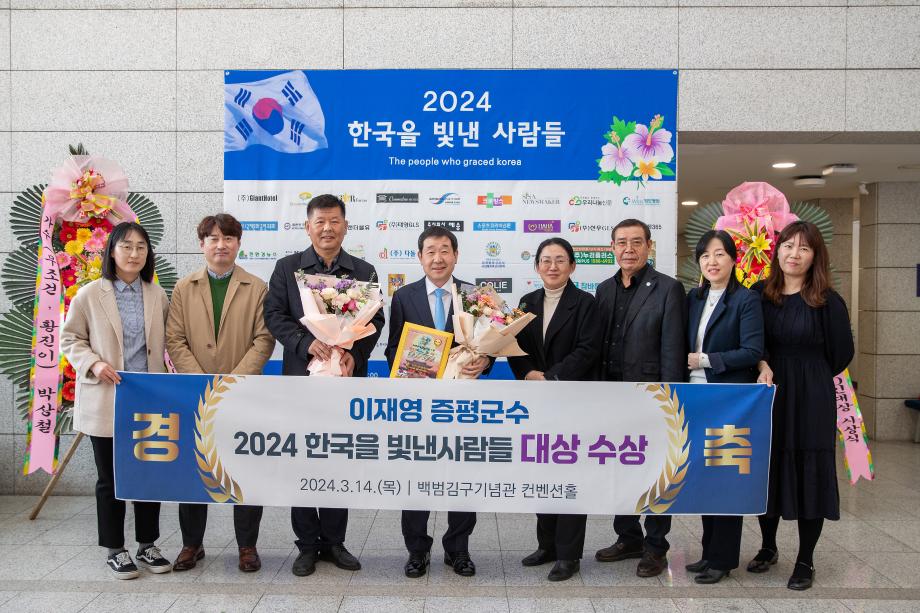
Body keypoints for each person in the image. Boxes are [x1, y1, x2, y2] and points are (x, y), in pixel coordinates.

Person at [263, 194, 384, 577]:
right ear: (308, 227)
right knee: (302, 459)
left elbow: (375, 321)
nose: (327, 228)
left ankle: (334, 542)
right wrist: (305, 343)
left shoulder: (363, 271)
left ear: (345, 226)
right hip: (302, 381)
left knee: (338, 460)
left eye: (334, 221)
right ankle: (306, 544)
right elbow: (274, 315)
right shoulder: (287, 268)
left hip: (345, 384)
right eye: (320, 222)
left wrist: (354, 354)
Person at [60, 222, 173, 580]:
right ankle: (115, 549)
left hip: (148, 398)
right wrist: (94, 363)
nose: (134, 253)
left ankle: (147, 544)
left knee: (149, 474)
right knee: (110, 478)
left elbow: (168, 344)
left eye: (141, 247)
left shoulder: (157, 294)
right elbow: (70, 339)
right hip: (108, 396)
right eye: (127, 246)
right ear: (112, 251)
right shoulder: (90, 294)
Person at [747, 221, 854, 591]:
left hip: (811, 395)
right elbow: (751, 340)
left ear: (815, 256)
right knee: (769, 465)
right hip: (769, 390)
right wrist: (763, 362)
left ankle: (805, 559)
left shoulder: (827, 300)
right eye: (788, 245)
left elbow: (842, 353)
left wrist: (810, 372)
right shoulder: (759, 293)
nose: (794, 254)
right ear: (777, 250)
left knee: (810, 469)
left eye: (804, 248)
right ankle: (768, 546)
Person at [166, 214, 274, 573]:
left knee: (246, 471)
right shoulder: (184, 288)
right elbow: (175, 339)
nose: (221, 245)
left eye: (228, 238)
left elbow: (264, 339)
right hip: (196, 394)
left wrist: (232, 383)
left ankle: (247, 546)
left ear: (238, 243)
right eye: (213, 238)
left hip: (243, 395)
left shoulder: (256, 287)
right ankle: (191, 544)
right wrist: (202, 382)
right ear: (202, 245)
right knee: (194, 470)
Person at [385, 225, 491, 579]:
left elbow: (489, 346)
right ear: (420, 257)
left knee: (463, 475)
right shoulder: (404, 296)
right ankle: (417, 550)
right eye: (430, 251)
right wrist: (409, 367)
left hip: (462, 407)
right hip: (419, 407)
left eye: (445, 250)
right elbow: (392, 349)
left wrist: (485, 361)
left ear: (456, 255)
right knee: (415, 476)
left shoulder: (475, 295)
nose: (438, 258)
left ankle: (458, 549)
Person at [593, 218, 686, 578]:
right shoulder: (604, 289)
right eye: (621, 242)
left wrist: (669, 400)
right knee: (620, 466)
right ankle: (628, 536)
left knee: (657, 470)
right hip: (612, 396)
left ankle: (656, 546)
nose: (628, 249)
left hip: (653, 398)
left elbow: (672, 349)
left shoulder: (668, 289)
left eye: (636, 242)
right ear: (612, 248)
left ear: (649, 246)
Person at [507, 237, 601, 582]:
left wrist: (552, 377)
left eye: (560, 260)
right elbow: (514, 345)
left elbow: (588, 349)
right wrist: (528, 374)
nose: (552, 266)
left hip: (572, 400)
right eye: (546, 260)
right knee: (543, 474)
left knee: (571, 478)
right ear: (536, 266)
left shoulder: (586, 303)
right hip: (536, 401)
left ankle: (568, 554)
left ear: (572, 266)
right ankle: (546, 545)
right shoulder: (527, 302)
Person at [684, 230, 764, 584]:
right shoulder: (694, 298)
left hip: (729, 401)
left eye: (719, 254)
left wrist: (706, 359)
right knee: (704, 478)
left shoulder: (746, 300)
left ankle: (723, 558)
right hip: (694, 398)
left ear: (733, 259)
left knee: (726, 479)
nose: (712, 262)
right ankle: (708, 552)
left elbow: (752, 351)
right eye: (705, 256)